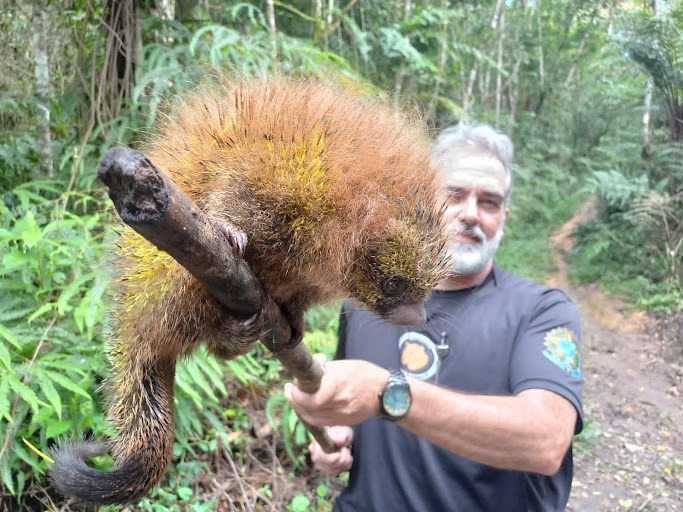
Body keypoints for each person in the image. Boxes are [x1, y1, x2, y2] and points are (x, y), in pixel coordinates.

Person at [284, 121, 584, 511]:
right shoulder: (364, 302)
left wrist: (387, 393)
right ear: (423, 202)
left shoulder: (542, 311)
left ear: (504, 218)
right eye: (453, 194)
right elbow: (353, 413)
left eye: (489, 202)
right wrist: (334, 441)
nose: (470, 214)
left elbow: (546, 442)